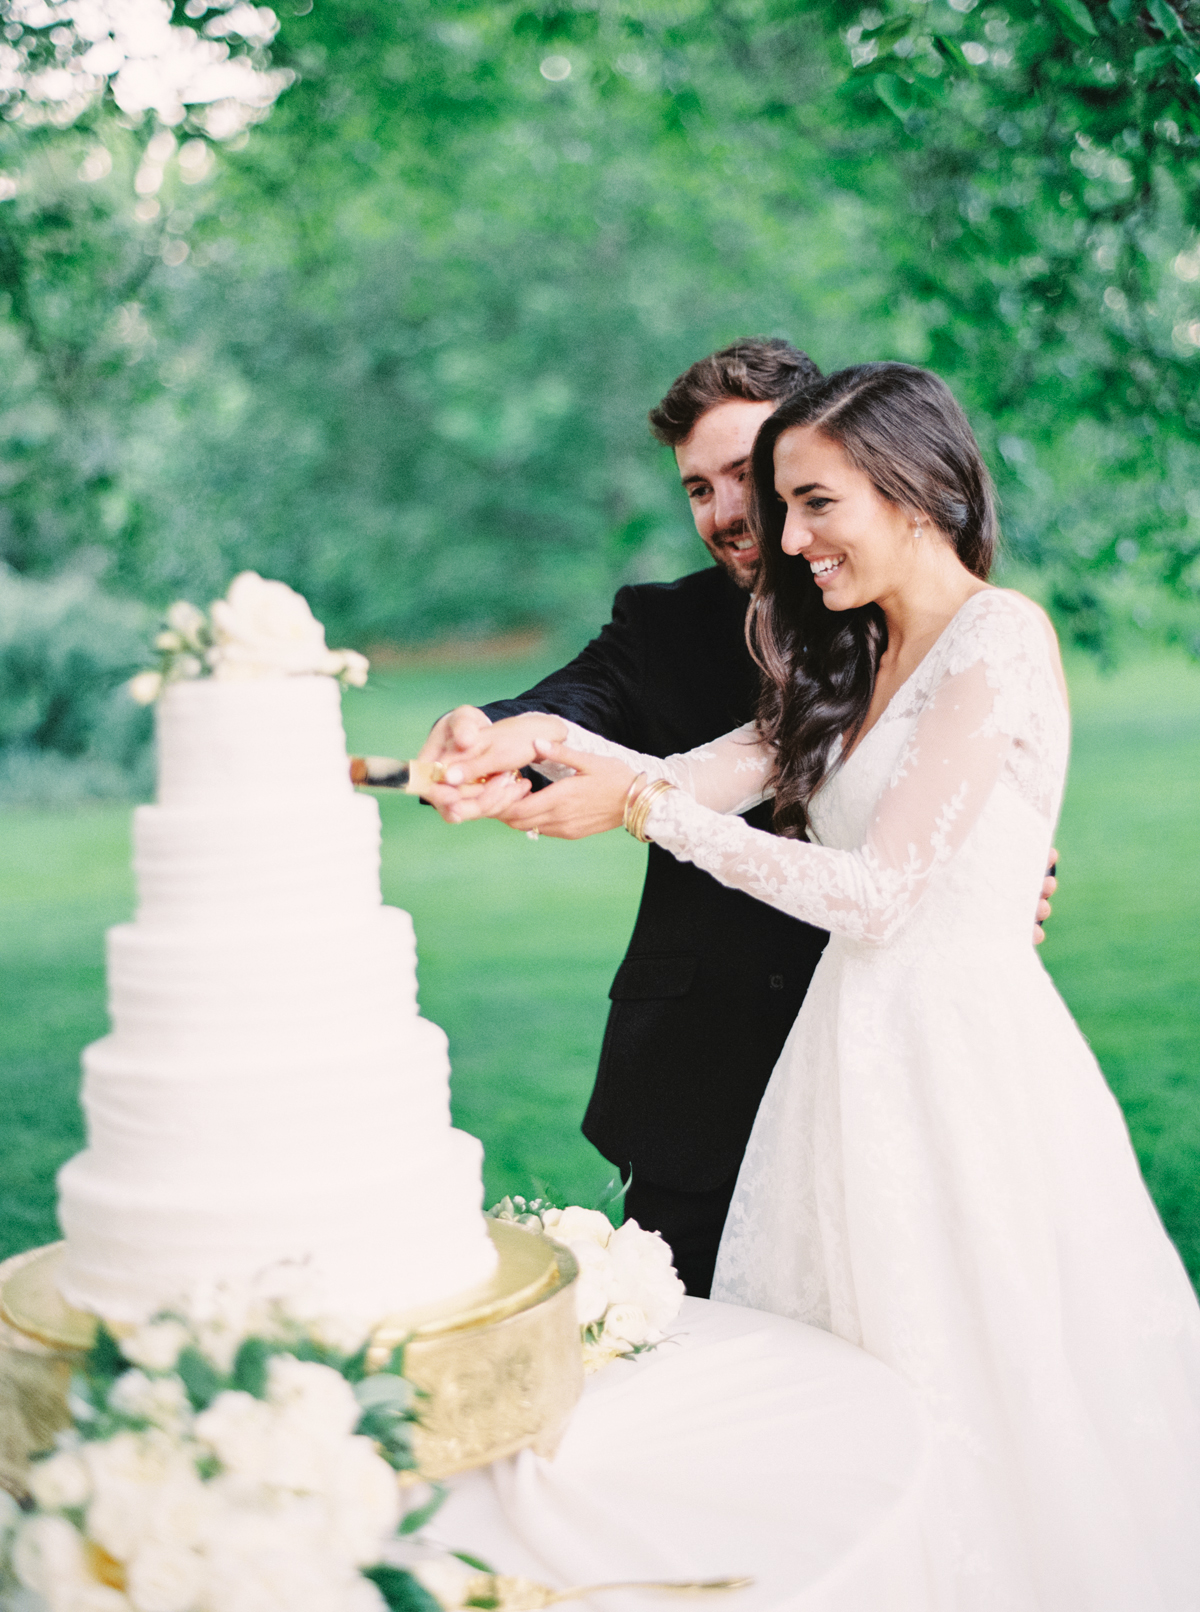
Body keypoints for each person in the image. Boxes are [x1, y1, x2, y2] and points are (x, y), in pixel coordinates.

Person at [433, 363, 1200, 1606]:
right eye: (773, 507)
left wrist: (644, 808)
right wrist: (525, 741)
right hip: (844, 1064)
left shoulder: (1001, 637)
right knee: (843, 1374)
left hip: (964, 1061)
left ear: (916, 488)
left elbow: (882, 895)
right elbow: (682, 771)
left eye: (812, 504)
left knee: (983, 1366)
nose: (786, 539)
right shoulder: (853, 656)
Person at [419, 340, 832, 1298]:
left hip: (859, 1049)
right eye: (697, 489)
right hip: (697, 1079)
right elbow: (574, 710)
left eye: (744, 475)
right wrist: (489, 734)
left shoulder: (893, 613)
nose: (725, 513)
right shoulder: (661, 623)